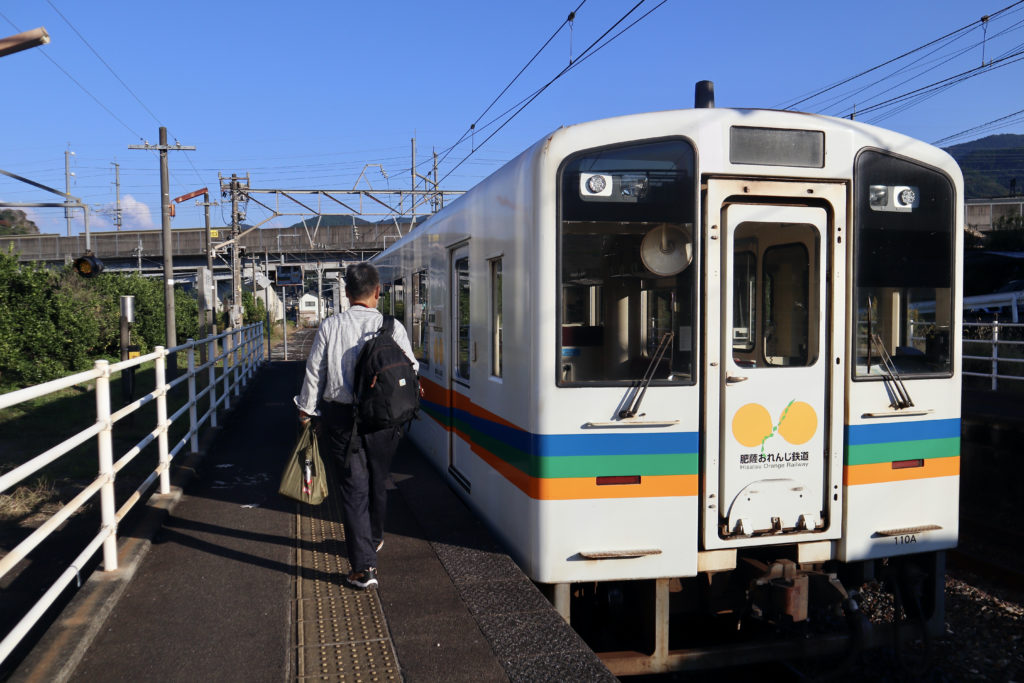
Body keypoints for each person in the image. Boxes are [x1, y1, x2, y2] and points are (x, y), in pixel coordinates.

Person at [294, 262, 418, 590]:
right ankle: (373, 538)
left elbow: (314, 372)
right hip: (383, 421)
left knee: (353, 489)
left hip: (341, 419)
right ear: (378, 292)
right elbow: (412, 366)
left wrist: (306, 409)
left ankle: (363, 568)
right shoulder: (392, 327)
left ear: (347, 294)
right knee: (379, 480)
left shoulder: (331, 326)